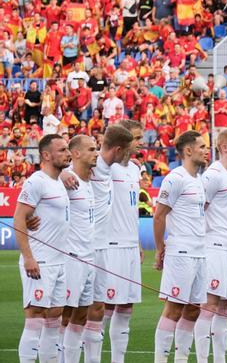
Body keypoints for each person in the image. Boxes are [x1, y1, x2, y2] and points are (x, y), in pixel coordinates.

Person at [153, 130, 211, 363]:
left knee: (194, 308)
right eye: (202, 147)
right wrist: (160, 250)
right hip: (181, 252)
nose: (206, 151)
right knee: (174, 308)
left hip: (199, 251)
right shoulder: (175, 178)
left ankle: (181, 359)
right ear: (188, 151)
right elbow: (159, 216)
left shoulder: (197, 179)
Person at [16, 134, 71, 363]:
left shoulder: (59, 181)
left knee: (55, 317)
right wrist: (28, 257)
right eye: (62, 150)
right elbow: (19, 217)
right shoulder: (36, 181)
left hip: (59, 261)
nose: (67, 153)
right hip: (40, 261)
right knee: (35, 317)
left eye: (68, 148)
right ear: (46, 155)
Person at [196, 127, 227, 363]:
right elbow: (199, 210)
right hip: (215, 246)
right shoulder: (213, 174)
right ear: (225, 148)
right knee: (209, 306)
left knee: (226, 306)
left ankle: (219, 358)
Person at [92, 121, 140, 363]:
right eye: (137, 139)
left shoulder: (135, 169)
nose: (140, 144)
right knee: (105, 307)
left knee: (126, 307)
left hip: (130, 245)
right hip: (111, 246)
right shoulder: (105, 167)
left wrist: (138, 244)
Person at [61, 134, 100, 363]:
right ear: (75, 153)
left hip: (89, 257)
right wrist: (63, 172)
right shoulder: (65, 179)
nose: (96, 152)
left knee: (81, 316)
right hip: (71, 258)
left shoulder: (88, 181)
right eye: (91, 149)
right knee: (63, 315)